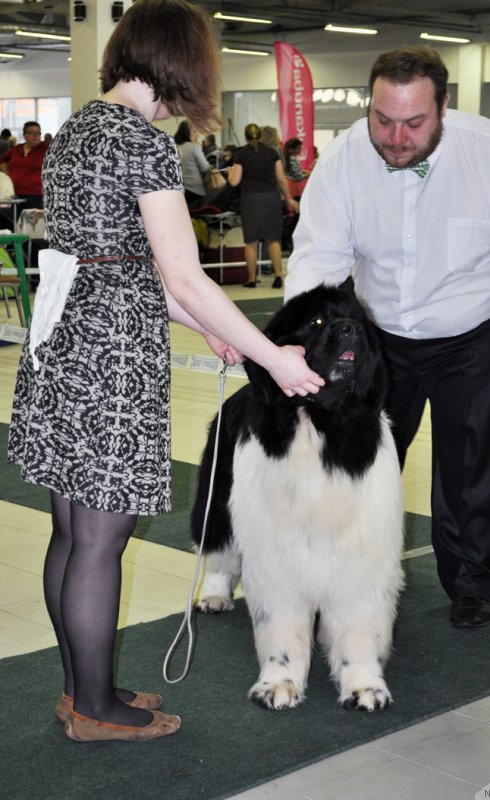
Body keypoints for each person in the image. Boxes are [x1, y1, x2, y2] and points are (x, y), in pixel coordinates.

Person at [7, 0, 324, 744]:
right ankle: (95, 709)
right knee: (101, 540)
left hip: (65, 344)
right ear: (181, 63)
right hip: (113, 358)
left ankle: (81, 689)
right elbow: (181, 275)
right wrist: (270, 355)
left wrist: (208, 328)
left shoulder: (78, 128)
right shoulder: (143, 143)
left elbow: (119, 260)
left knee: (71, 533)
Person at [285, 44, 490, 630]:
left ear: (443, 107)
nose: (396, 138)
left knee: (472, 467)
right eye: (383, 120)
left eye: (414, 123)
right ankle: (342, 580)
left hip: (477, 330)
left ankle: (469, 583)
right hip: (382, 333)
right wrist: (298, 345)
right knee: (353, 460)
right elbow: (319, 259)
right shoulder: (344, 159)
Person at [228, 123, 298, 288]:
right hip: (271, 198)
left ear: (246, 136)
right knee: (273, 239)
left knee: (251, 241)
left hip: (251, 200)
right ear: (260, 135)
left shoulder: (241, 154)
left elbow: (234, 181)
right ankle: (278, 276)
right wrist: (289, 199)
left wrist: (230, 172)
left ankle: (252, 279)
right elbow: (281, 179)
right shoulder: (272, 153)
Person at [0, 120, 49, 210]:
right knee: (13, 218)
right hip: (15, 194)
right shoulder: (17, 149)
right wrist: (8, 176)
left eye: (38, 133)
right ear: (24, 135)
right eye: (31, 133)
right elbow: (2, 160)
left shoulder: (45, 148)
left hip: (36, 195)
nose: (35, 135)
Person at [174, 119, 212, 205]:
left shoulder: (176, 147)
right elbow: (204, 168)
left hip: (181, 191)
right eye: (194, 131)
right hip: (196, 191)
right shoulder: (194, 147)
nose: (196, 134)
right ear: (188, 133)